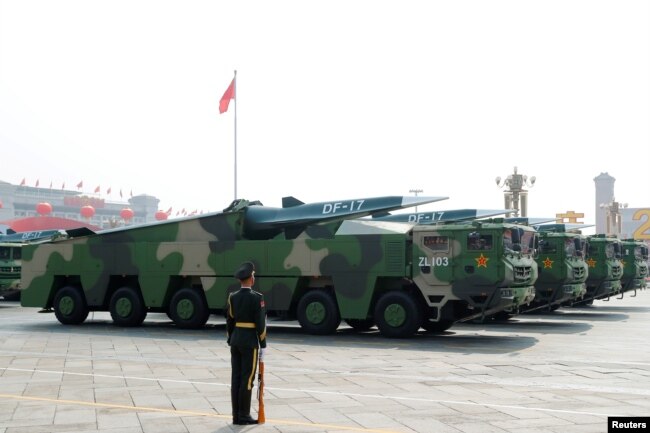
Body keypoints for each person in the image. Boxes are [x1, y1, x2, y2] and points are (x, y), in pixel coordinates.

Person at [227, 261, 267, 425]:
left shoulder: (233, 297)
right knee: (248, 379)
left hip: (235, 340)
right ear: (251, 278)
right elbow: (260, 323)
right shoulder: (257, 298)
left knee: (235, 377)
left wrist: (230, 338)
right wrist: (263, 343)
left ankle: (236, 415)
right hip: (250, 342)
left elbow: (229, 321)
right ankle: (244, 416)